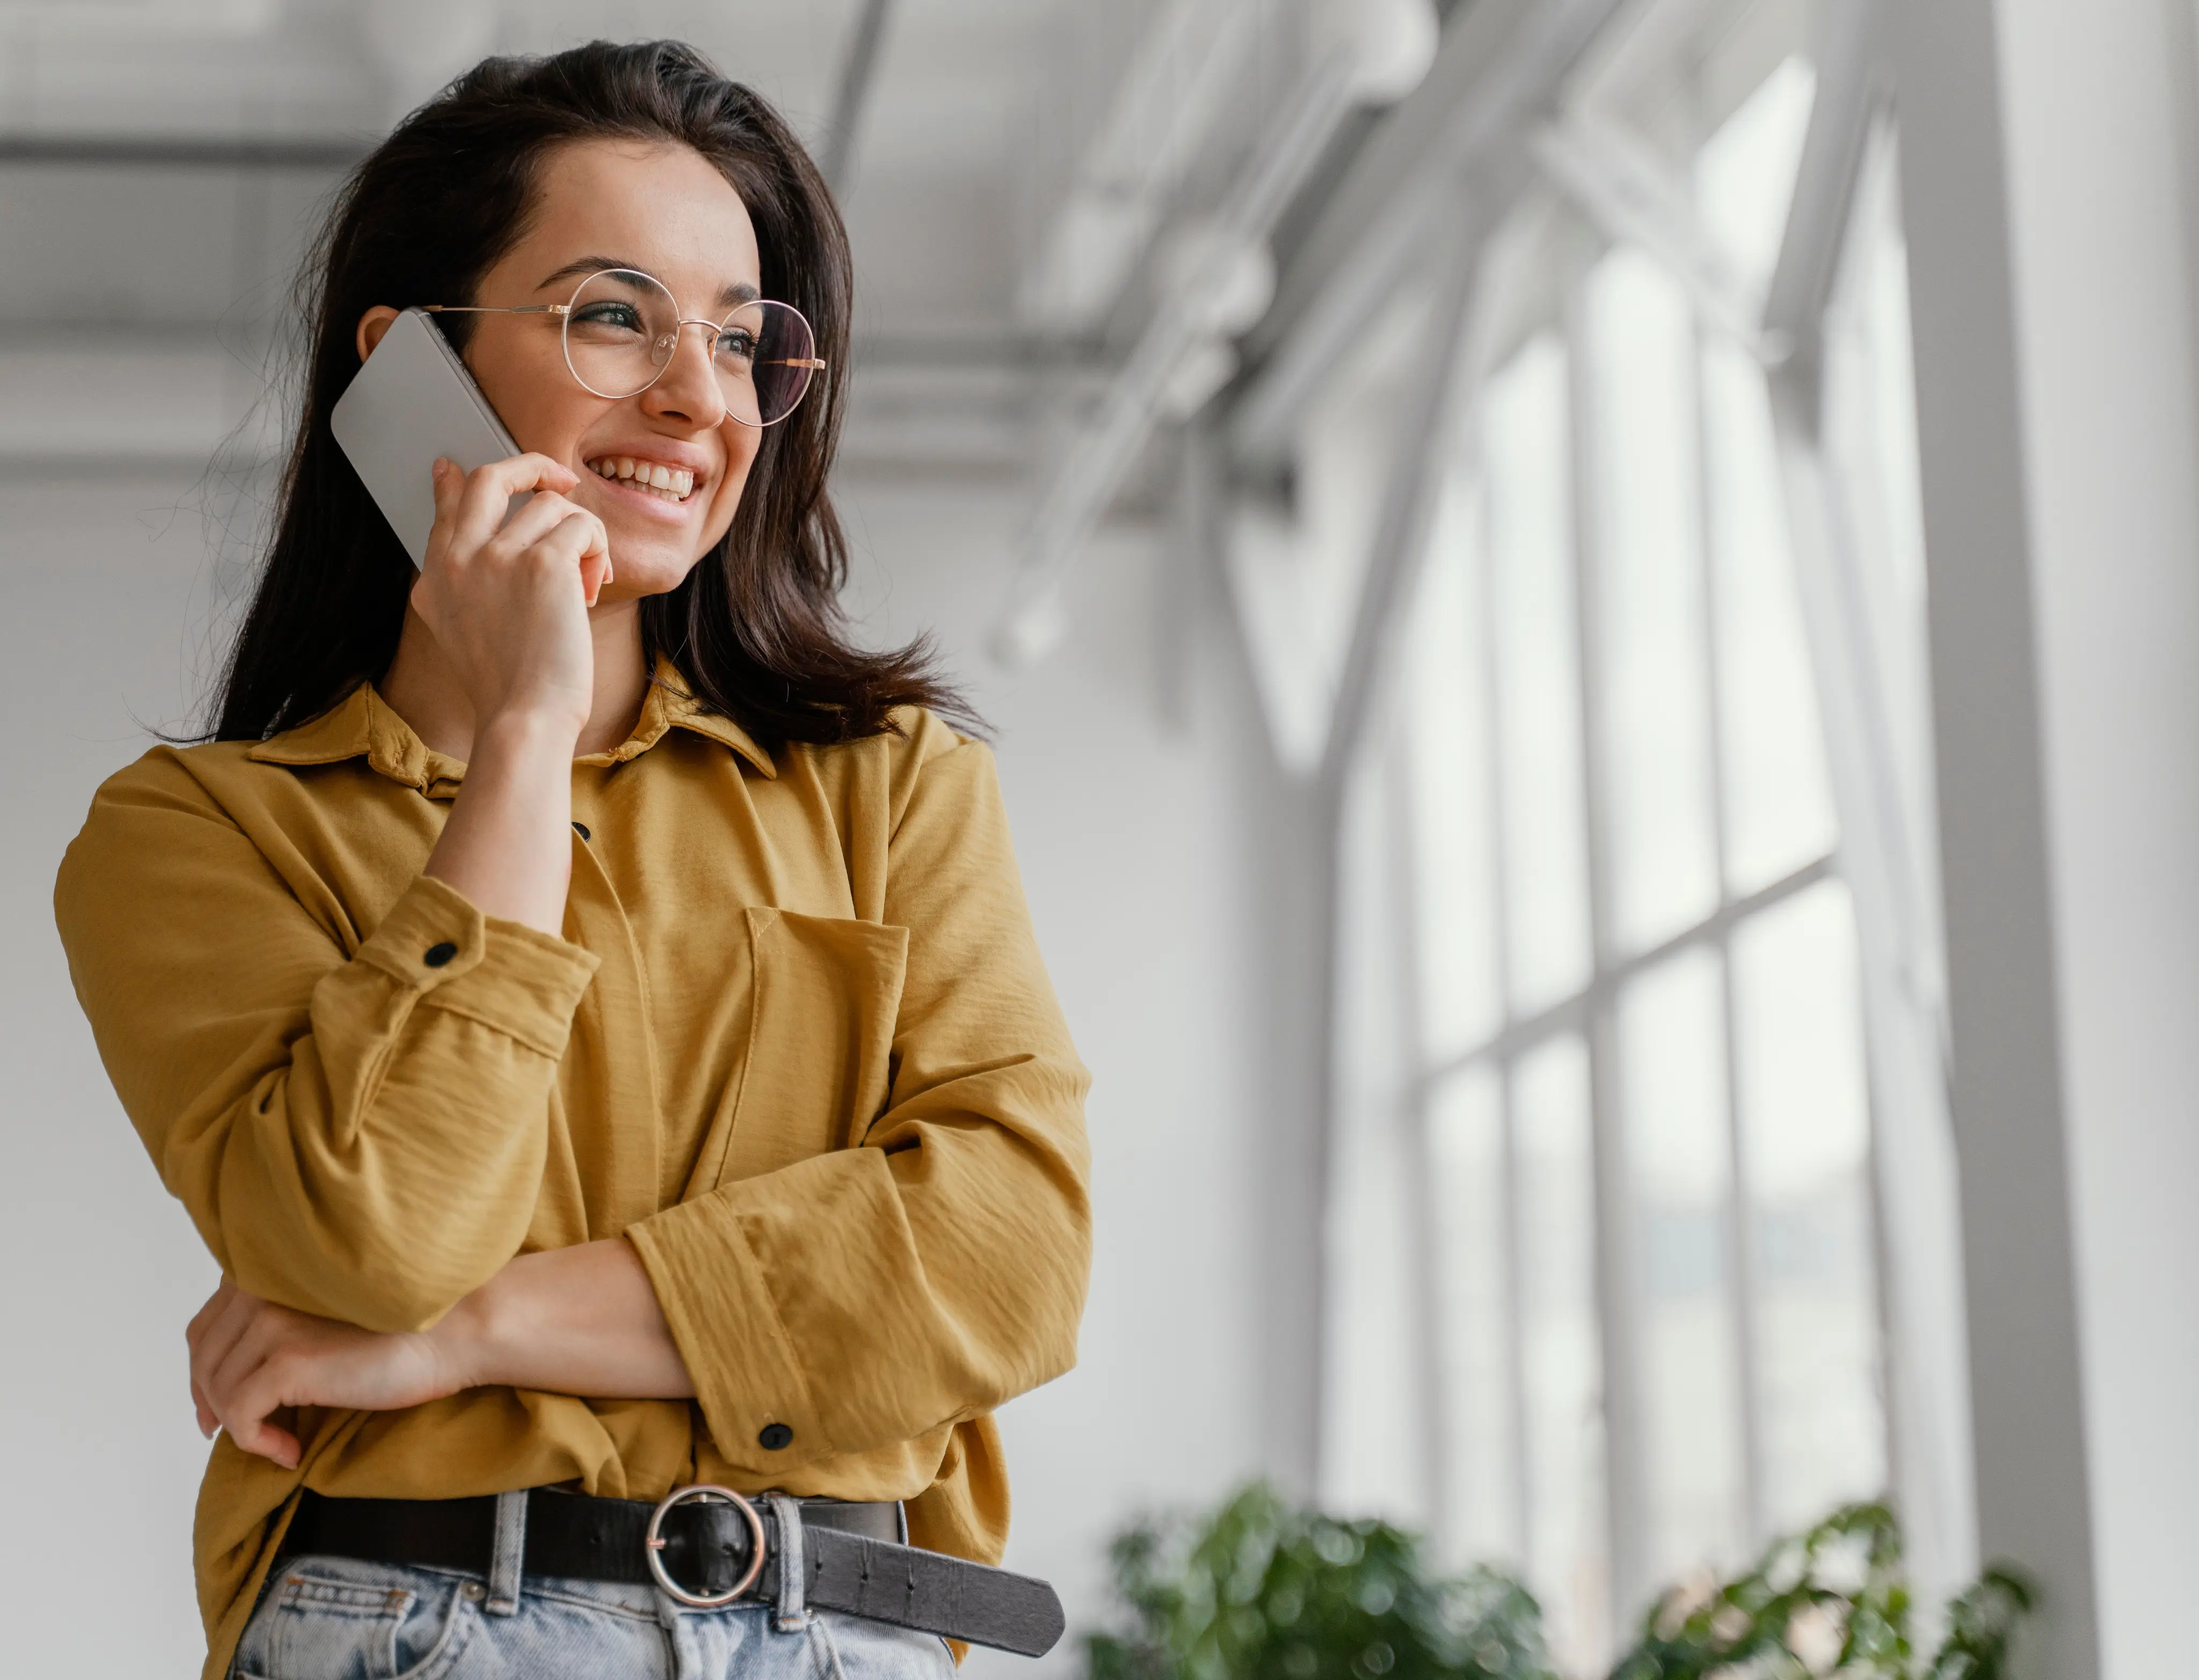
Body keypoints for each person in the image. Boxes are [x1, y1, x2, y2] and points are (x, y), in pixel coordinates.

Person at [53, 39, 1090, 1680]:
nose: (699, 397)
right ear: (406, 370)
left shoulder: (893, 789)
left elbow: (1010, 1258)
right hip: (425, 1622)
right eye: (616, 315)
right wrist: (526, 729)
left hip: (860, 1634)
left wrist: (474, 1331)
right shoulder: (199, 837)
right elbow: (367, 1243)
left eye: (743, 340)